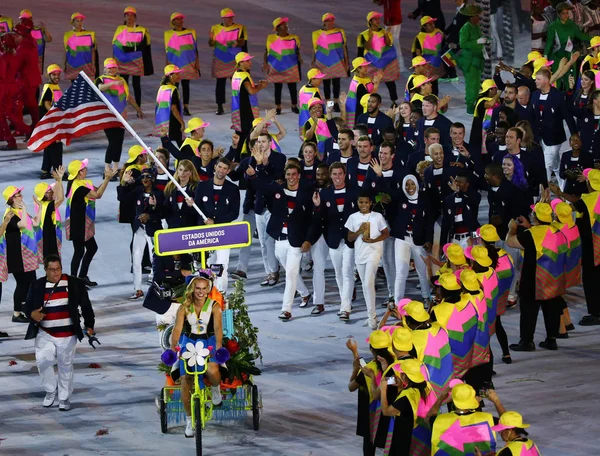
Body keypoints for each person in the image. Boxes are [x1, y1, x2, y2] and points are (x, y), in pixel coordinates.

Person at [23, 254, 95, 412]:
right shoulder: (37, 285)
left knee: (65, 366)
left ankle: (64, 397)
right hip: (45, 332)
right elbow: (27, 307)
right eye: (52, 270)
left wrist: (89, 325)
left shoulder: (75, 283)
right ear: (45, 270)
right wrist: (32, 314)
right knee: (43, 361)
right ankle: (50, 391)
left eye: (58, 269)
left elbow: (86, 306)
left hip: (68, 334)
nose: (56, 273)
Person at [247, 158, 315, 320]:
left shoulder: (306, 195)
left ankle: (286, 309)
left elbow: (312, 220)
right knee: (289, 271)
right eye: (288, 174)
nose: (291, 177)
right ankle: (305, 293)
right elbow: (262, 187)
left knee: (290, 274)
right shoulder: (277, 189)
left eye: (294, 174)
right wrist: (254, 175)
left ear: (298, 176)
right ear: (285, 176)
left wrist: (308, 240)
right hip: (279, 239)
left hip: (296, 241)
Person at [507, 203, 568, 351]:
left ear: (535, 217)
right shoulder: (558, 231)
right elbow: (542, 238)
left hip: (534, 279)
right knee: (551, 308)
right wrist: (530, 226)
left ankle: (527, 342)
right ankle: (551, 340)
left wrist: (512, 229)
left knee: (528, 310)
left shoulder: (530, 235)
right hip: (554, 277)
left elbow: (511, 242)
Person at [170, 274, 223, 437]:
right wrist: (173, 347)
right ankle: (189, 419)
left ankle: (216, 389)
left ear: (208, 290)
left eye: (203, 289)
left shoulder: (214, 306)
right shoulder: (184, 307)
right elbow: (177, 329)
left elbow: (218, 328)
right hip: (188, 344)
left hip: (209, 342)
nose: (200, 292)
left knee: (212, 369)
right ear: (192, 290)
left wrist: (219, 347)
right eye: (197, 288)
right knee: (185, 379)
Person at [550, 168, 600, 326]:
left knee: (591, 279)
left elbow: (569, 207)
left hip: (592, 246)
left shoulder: (589, 200)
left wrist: (557, 193)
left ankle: (596, 313)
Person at [65, 159, 118, 286]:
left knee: (87, 249)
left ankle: (80, 277)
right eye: (84, 168)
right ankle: (74, 281)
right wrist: (107, 178)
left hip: (80, 222)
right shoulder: (79, 187)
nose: (86, 169)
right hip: (78, 223)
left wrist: (106, 179)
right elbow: (97, 195)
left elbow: (96, 191)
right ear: (79, 173)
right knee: (81, 251)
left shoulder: (79, 183)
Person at [194, 158, 240, 294]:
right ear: (215, 167)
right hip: (206, 234)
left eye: (225, 168)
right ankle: (209, 294)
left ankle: (220, 295)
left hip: (224, 233)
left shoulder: (233, 189)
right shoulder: (202, 186)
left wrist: (216, 221)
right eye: (220, 167)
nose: (221, 170)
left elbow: (234, 213)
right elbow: (197, 210)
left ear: (228, 171)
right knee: (208, 266)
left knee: (221, 266)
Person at [345, 192, 389, 329]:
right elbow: (349, 238)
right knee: (365, 285)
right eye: (361, 202)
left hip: (374, 252)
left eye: (366, 202)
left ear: (370, 203)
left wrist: (374, 240)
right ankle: (372, 315)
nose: (363, 205)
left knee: (368, 283)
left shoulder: (377, 216)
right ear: (357, 203)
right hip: (359, 254)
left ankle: (372, 318)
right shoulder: (353, 217)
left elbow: (386, 233)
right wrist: (359, 231)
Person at [96, 57, 144, 175]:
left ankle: (115, 168)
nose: (112, 70)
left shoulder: (122, 80)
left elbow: (128, 97)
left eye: (114, 68)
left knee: (119, 142)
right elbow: (100, 88)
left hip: (121, 116)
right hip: (107, 116)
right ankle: (107, 169)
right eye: (109, 68)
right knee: (112, 141)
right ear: (105, 69)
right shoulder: (100, 79)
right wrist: (113, 83)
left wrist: (137, 108)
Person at [530, 67, 575, 188]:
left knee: (546, 165)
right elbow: (532, 115)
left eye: (538, 79)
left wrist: (574, 133)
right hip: (540, 137)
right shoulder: (534, 95)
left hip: (554, 137)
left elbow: (567, 116)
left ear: (546, 81)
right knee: (555, 165)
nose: (536, 81)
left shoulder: (558, 96)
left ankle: (541, 196)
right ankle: (564, 189)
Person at [392, 174, 433, 306]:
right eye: (407, 184)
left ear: (417, 185)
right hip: (402, 239)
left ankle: (426, 297)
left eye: (412, 184)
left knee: (422, 271)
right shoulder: (400, 199)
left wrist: (428, 240)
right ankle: (398, 303)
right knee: (401, 272)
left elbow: (429, 222)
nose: (410, 187)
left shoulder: (425, 200)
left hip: (419, 240)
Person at [1, 185, 38, 323]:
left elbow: (35, 223)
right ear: (12, 199)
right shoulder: (10, 214)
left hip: (26, 253)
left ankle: (26, 307)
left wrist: (38, 206)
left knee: (31, 282)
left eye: (21, 194)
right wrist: (25, 209)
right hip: (17, 256)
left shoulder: (19, 211)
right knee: (22, 284)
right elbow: (22, 225)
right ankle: (17, 313)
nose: (21, 197)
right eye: (18, 195)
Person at [429, 383, 497, 455]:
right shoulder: (487, 419)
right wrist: (496, 401)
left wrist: (441, 398)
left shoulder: (439, 421)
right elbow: (507, 424)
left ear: (453, 400)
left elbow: (430, 415)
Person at [112, 6, 154, 107]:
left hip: (136, 61)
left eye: (132, 16)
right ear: (124, 17)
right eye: (127, 15)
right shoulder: (120, 29)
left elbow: (143, 46)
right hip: (123, 62)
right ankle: (122, 105)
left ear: (135, 18)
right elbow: (115, 45)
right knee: (123, 84)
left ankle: (138, 106)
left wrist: (130, 49)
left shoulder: (142, 30)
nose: (130, 18)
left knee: (136, 84)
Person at [209, 8, 248, 115]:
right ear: (223, 18)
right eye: (228, 17)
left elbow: (243, 43)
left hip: (235, 59)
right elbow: (211, 44)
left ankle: (240, 104)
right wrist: (211, 40)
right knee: (220, 84)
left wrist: (238, 44)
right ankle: (220, 105)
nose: (230, 19)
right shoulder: (215, 28)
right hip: (220, 58)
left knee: (237, 83)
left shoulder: (240, 28)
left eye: (231, 17)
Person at [544, 2, 590, 90]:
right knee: (557, 79)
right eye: (563, 13)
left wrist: (593, 40)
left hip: (569, 53)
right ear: (558, 14)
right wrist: (545, 57)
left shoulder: (572, 24)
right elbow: (549, 42)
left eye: (567, 13)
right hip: (557, 55)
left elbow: (580, 35)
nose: (566, 15)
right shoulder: (553, 26)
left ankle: (570, 98)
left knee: (570, 79)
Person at [357, 11, 400, 106]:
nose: (378, 21)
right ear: (370, 21)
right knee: (370, 83)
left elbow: (389, 44)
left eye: (378, 19)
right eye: (375, 19)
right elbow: (365, 49)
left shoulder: (384, 32)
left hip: (385, 61)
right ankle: (368, 101)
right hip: (371, 62)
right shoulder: (363, 35)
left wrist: (386, 35)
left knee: (390, 82)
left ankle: (394, 101)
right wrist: (371, 37)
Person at [264, 17, 301, 114]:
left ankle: (294, 105)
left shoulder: (294, 38)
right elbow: (266, 51)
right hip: (276, 67)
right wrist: (265, 63)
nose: (286, 26)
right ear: (277, 28)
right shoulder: (271, 38)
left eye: (286, 25)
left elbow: (296, 51)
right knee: (277, 88)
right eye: (283, 25)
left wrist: (299, 58)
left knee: (292, 87)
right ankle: (278, 107)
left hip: (291, 66)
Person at [164, 12, 199, 116]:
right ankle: (176, 106)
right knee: (175, 86)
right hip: (174, 63)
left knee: (186, 85)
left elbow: (195, 49)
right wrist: (167, 66)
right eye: (177, 19)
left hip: (188, 63)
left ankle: (186, 106)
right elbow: (167, 51)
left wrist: (197, 63)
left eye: (181, 19)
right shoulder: (168, 34)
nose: (180, 21)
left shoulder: (191, 32)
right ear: (173, 22)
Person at [311, 13, 349, 109]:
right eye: (328, 20)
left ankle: (336, 103)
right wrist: (313, 62)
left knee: (336, 82)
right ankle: (329, 103)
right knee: (326, 83)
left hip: (337, 62)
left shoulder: (340, 32)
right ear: (324, 22)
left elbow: (344, 48)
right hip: (323, 63)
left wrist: (346, 62)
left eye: (332, 20)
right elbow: (315, 49)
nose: (331, 22)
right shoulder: (316, 34)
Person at [456, 5, 487, 115]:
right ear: (471, 17)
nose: (479, 18)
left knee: (477, 84)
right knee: (471, 85)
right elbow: (463, 44)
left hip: (477, 59)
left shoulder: (476, 27)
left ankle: (474, 103)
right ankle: (470, 106)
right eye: (477, 16)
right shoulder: (465, 28)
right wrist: (477, 42)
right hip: (469, 61)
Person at [231, 52, 267, 144]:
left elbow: (243, 89)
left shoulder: (236, 74)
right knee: (248, 135)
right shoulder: (244, 76)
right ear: (241, 63)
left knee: (240, 137)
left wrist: (256, 85)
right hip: (246, 111)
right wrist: (261, 86)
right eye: (247, 60)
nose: (250, 62)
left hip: (238, 110)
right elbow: (251, 91)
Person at [32, 167, 65, 261]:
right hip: (49, 235)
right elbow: (61, 198)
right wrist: (59, 180)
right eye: (48, 191)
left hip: (44, 233)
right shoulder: (47, 206)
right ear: (43, 195)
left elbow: (56, 192)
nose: (51, 192)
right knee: (53, 260)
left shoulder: (39, 202)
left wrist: (59, 180)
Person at [38, 65, 64, 180]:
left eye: (58, 74)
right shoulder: (49, 87)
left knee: (49, 146)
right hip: (51, 121)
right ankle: (58, 172)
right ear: (49, 75)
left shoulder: (54, 86)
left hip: (52, 120)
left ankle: (45, 171)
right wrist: (56, 113)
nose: (56, 76)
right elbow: (47, 104)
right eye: (54, 74)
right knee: (56, 147)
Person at [346, 57, 382, 129]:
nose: (367, 68)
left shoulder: (365, 78)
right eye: (364, 66)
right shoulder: (358, 84)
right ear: (358, 69)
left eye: (367, 66)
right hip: (360, 113)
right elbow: (369, 98)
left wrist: (375, 81)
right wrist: (376, 84)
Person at [154, 65, 184, 146]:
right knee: (182, 145)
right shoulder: (173, 90)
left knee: (166, 147)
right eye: (176, 74)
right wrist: (182, 122)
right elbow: (174, 109)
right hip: (173, 122)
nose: (179, 76)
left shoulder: (162, 88)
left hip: (163, 123)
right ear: (170, 76)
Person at [63, 12, 97, 81]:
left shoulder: (90, 34)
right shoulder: (68, 35)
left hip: (86, 66)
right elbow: (66, 52)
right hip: (73, 66)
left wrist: (93, 65)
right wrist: (64, 65)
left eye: (81, 21)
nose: (80, 23)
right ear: (73, 23)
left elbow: (93, 51)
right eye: (77, 21)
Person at [19, 10, 52, 76]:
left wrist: (45, 30)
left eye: (25, 20)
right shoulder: (19, 31)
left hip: (37, 59)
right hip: (24, 60)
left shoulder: (38, 30)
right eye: (22, 20)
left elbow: (48, 39)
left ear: (31, 19)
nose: (22, 22)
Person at [298, 68, 325, 136]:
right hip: (312, 121)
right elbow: (319, 109)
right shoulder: (315, 92)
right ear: (312, 79)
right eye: (319, 78)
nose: (321, 80)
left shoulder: (303, 88)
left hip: (303, 118)